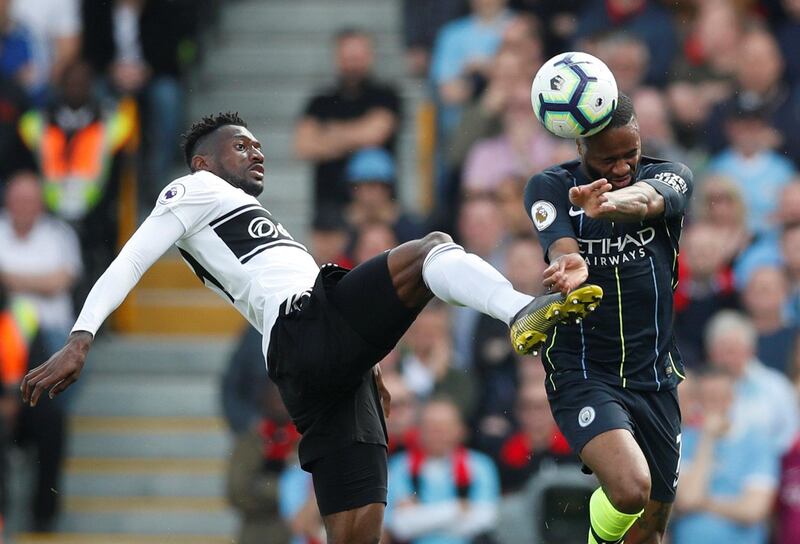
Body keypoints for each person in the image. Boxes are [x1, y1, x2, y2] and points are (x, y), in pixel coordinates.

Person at [20, 112, 603, 544]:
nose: (257, 152)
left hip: (316, 369)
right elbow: (130, 259)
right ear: (203, 162)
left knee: (356, 532)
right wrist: (80, 337)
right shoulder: (194, 189)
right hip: (306, 330)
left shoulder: (243, 218)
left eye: (258, 144)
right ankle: (521, 311)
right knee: (432, 249)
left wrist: (367, 363)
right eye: (240, 145)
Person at [524, 93, 691, 544]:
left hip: (654, 374)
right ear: (580, 150)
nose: (621, 168)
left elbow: (647, 199)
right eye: (607, 159)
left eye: (629, 154)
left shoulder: (670, 175)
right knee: (630, 489)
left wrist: (612, 205)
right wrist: (570, 262)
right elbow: (559, 242)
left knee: (651, 529)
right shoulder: (550, 187)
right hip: (583, 370)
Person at [294, 28, 401, 223]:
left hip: (379, 211)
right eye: (347, 56)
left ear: (370, 56)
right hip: (329, 207)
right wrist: (357, 134)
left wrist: (328, 134)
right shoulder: (320, 101)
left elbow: (375, 134)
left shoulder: (386, 95)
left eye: (358, 56)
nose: (353, 63)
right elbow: (304, 147)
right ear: (337, 58)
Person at [672, 367, 779, 544]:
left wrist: (703, 502)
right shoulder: (683, 440)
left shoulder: (757, 442)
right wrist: (707, 439)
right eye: (708, 398)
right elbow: (688, 500)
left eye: (721, 397)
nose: (714, 405)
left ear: (733, 398)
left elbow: (753, 510)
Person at [385, 397, 501, 543]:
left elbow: (485, 519)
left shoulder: (481, 465)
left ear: (461, 430)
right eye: (431, 428)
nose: (438, 435)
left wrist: (418, 517)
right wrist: (457, 509)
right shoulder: (400, 466)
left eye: (445, 428)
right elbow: (399, 525)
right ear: (419, 430)